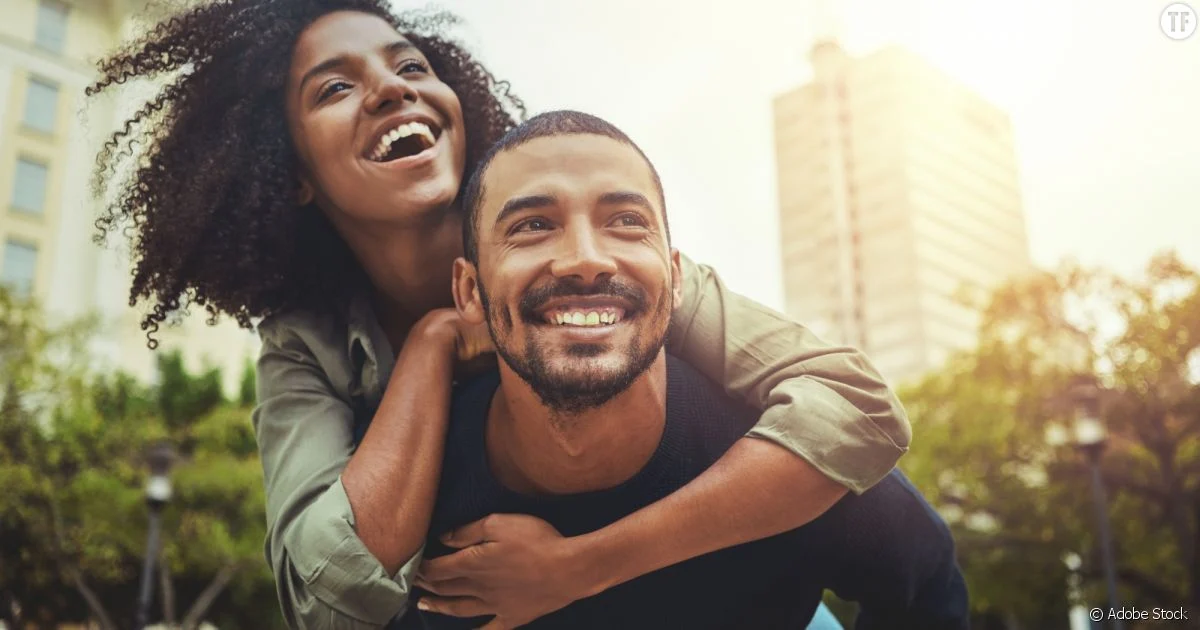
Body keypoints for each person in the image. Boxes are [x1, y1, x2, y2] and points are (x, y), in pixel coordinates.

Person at [87, 2, 911, 628]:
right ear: (288, 171)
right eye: (335, 87)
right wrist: (434, 341)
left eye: (409, 64)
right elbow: (329, 592)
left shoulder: (590, 258)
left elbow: (855, 410)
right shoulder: (305, 349)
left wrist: (579, 567)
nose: (389, 88)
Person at [407, 110, 968, 630]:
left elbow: (928, 585)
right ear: (469, 290)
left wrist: (578, 566)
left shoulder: (792, 462)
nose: (585, 259)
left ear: (677, 278)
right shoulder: (422, 496)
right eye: (532, 225)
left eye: (626, 221)